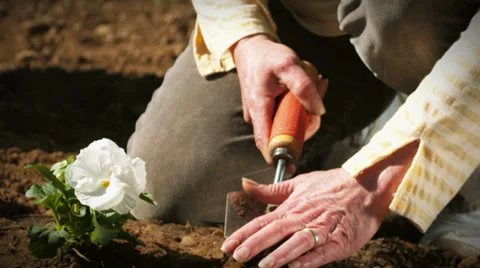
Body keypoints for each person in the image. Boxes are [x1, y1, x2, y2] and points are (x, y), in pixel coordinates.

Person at [127, 0, 480, 267]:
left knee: (399, 18)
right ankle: (362, 131)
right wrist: (246, 36)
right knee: (172, 182)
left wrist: (372, 175)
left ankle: (463, 174)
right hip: (299, 22)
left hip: (434, 27)